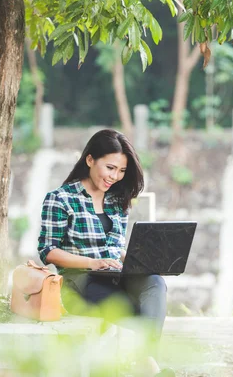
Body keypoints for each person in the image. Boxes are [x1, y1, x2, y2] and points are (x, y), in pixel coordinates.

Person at [37, 129, 173, 377]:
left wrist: (139, 263)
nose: (115, 177)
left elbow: (117, 248)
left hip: (114, 274)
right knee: (136, 308)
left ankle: (146, 360)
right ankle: (150, 367)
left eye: (121, 171)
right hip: (78, 280)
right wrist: (92, 262)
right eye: (110, 168)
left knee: (154, 283)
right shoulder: (60, 199)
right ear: (90, 160)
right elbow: (48, 251)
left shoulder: (117, 200)